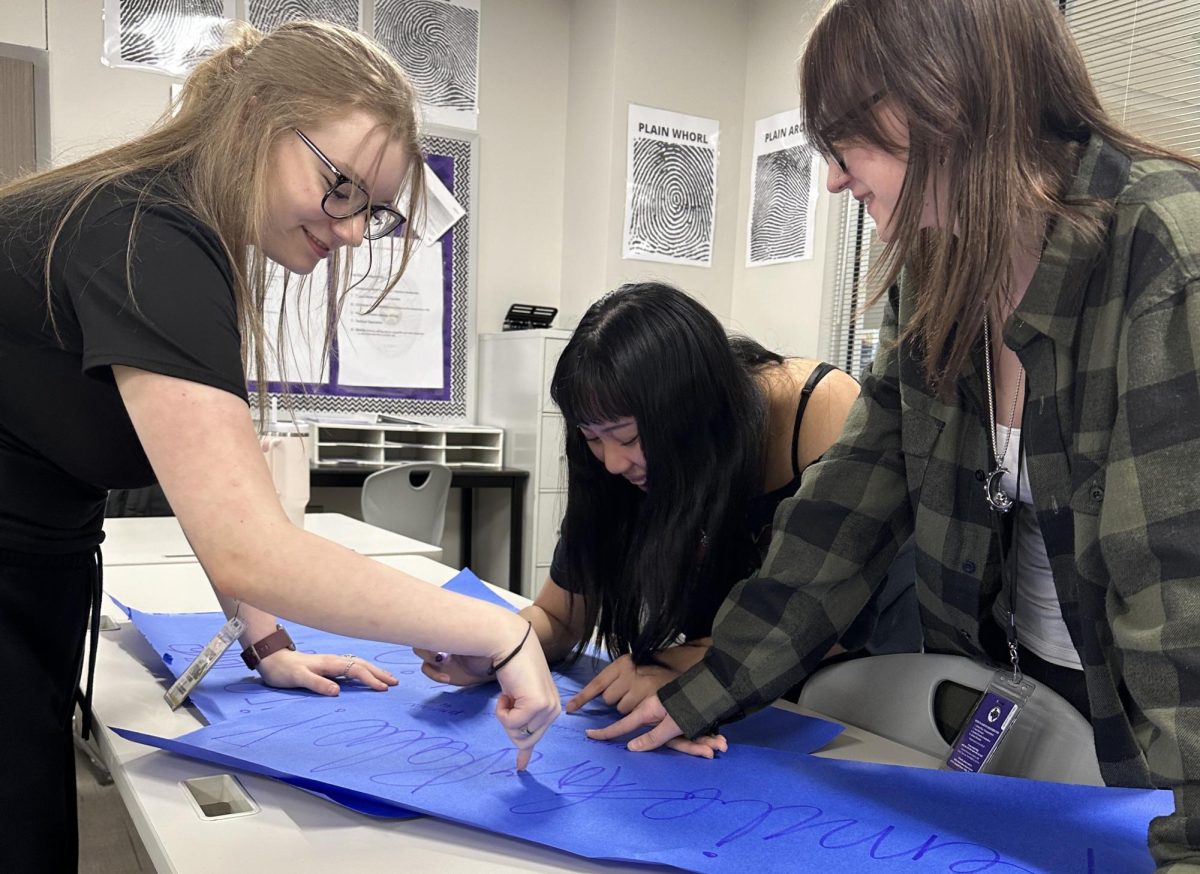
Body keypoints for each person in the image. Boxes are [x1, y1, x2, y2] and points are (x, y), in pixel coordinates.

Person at [590, 0, 1200, 866]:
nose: (835, 180)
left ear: (948, 99)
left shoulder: (1165, 261)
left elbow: (1183, 624)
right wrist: (711, 684)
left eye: (846, 145)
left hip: (1152, 716)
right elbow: (849, 506)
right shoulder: (940, 261)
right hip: (1011, 688)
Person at [0, 22, 558, 871]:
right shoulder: (146, 233)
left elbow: (208, 499)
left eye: (369, 210)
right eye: (339, 186)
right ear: (254, 118)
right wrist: (503, 632)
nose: (347, 228)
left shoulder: (172, 226)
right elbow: (253, 547)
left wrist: (269, 645)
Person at [416, 282, 913, 719]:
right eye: (592, 438)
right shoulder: (612, 458)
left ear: (692, 412)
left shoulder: (817, 413)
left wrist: (692, 664)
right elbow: (562, 617)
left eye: (628, 438)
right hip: (726, 679)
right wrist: (496, 644)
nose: (612, 462)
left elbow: (830, 618)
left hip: (857, 698)